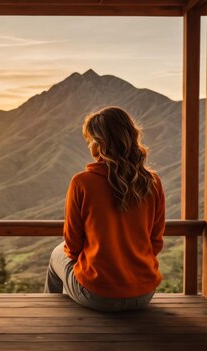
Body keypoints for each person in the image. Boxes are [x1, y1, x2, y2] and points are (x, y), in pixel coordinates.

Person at [44, 106, 165, 312]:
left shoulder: (82, 183)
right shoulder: (152, 182)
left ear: (98, 144)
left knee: (58, 252)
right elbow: (155, 242)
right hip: (144, 294)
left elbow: (72, 246)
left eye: (89, 139)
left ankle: (51, 314)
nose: (88, 145)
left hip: (98, 296)